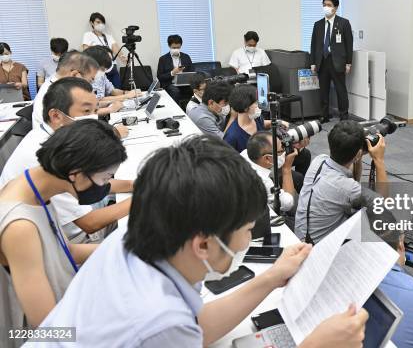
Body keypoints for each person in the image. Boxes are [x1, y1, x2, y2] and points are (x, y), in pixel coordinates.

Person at [32, 135, 368, 347]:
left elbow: (196, 329)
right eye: (247, 231)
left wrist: (270, 278)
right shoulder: (157, 320)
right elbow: (174, 329)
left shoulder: (130, 245)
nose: (248, 240)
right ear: (203, 245)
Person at [0, 119, 127, 332]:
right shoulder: (20, 225)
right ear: (75, 173)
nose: (105, 185)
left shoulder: (36, 187)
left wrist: (129, 248)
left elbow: (64, 251)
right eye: (105, 178)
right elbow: (49, 327)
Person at [0, 78, 133, 243]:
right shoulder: (45, 160)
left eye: (95, 110)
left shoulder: (55, 141)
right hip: (78, 238)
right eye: (86, 112)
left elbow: (91, 182)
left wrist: (133, 185)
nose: (93, 118)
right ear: (56, 116)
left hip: (68, 243)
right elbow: (89, 223)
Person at [294, 120, 387, 244]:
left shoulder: (319, 160)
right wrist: (378, 160)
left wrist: (358, 157)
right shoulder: (347, 188)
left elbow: (351, 181)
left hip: (302, 237)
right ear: (358, 154)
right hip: (318, 251)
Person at [225, 84, 312, 179]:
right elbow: (230, 167)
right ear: (246, 108)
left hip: (271, 158)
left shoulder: (256, 118)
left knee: (305, 155)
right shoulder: (232, 136)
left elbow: (263, 123)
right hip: (257, 172)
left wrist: (278, 122)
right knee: (297, 178)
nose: (259, 105)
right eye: (256, 103)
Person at [309, 0, 353, 123]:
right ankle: (324, 115)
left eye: (329, 5)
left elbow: (349, 44)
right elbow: (313, 44)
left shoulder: (344, 23)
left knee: (341, 90)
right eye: (324, 5)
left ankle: (344, 115)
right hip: (322, 61)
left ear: (335, 7)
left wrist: (348, 63)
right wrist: (312, 62)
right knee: (323, 90)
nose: (326, 7)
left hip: (338, 62)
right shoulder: (317, 25)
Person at [32, 51, 100, 129]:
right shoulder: (53, 95)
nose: (90, 85)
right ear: (75, 75)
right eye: (90, 81)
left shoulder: (55, 82)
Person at [242, 131, 299, 215]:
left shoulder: (245, 153)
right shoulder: (264, 182)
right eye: (281, 150)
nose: (284, 151)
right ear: (267, 158)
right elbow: (289, 204)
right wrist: (286, 169)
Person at [82, 12, 125, 88]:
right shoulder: (88, 35)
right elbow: (86, 52)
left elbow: (115, 48)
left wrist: (123, 58)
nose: (100, 24)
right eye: (98, 22)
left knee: (117, 88)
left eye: (102, 22)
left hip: (111, 67)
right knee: (103, 92)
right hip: (98, 68)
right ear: (91, 23)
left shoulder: (108, 36)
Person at [157, 34, 194, 102]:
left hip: (185, 84)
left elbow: (192, 72)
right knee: (175, 90)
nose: (176, 50)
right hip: (170, 84)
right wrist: (172, 73)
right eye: (174, 48)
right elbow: (160, 77)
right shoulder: (163, 59)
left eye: (178, 47)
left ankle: (192, 108)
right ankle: (177, 111)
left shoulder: (186, 57)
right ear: (169, 46)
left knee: (196, 88)